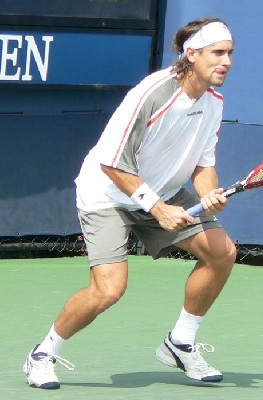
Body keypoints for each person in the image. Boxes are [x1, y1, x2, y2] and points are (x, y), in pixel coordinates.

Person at [23, 17, 236, 389]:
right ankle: (42, 353)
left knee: (222, 252)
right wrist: (157, 208)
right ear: (191, 54)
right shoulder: (153, 92)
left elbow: (204, 164)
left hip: (163, 191)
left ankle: (180, 344)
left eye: (230, 53)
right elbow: (111, 162)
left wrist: (208, 195)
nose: (227, 61)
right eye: (218, 52)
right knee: (109, 289)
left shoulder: (214, 102)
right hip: (107, 192)